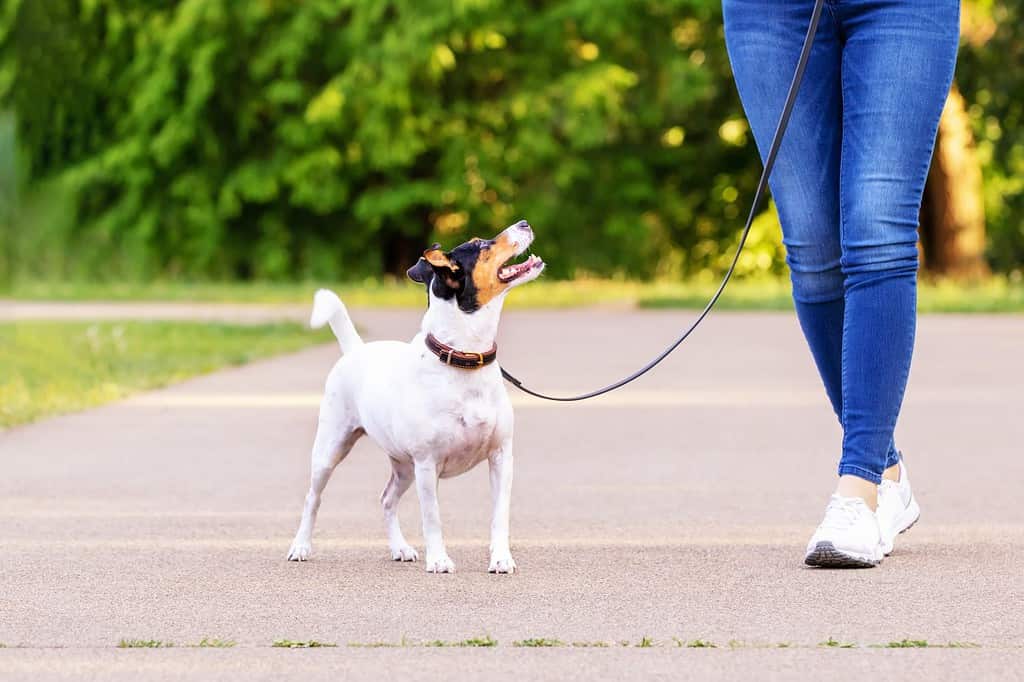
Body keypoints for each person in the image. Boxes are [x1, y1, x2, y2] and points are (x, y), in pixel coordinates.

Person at [722, 0, 960, 566]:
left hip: (902, 9)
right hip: (769, 13)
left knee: (877, 226)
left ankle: (857, 488)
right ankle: (887, 470)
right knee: (812, 246)